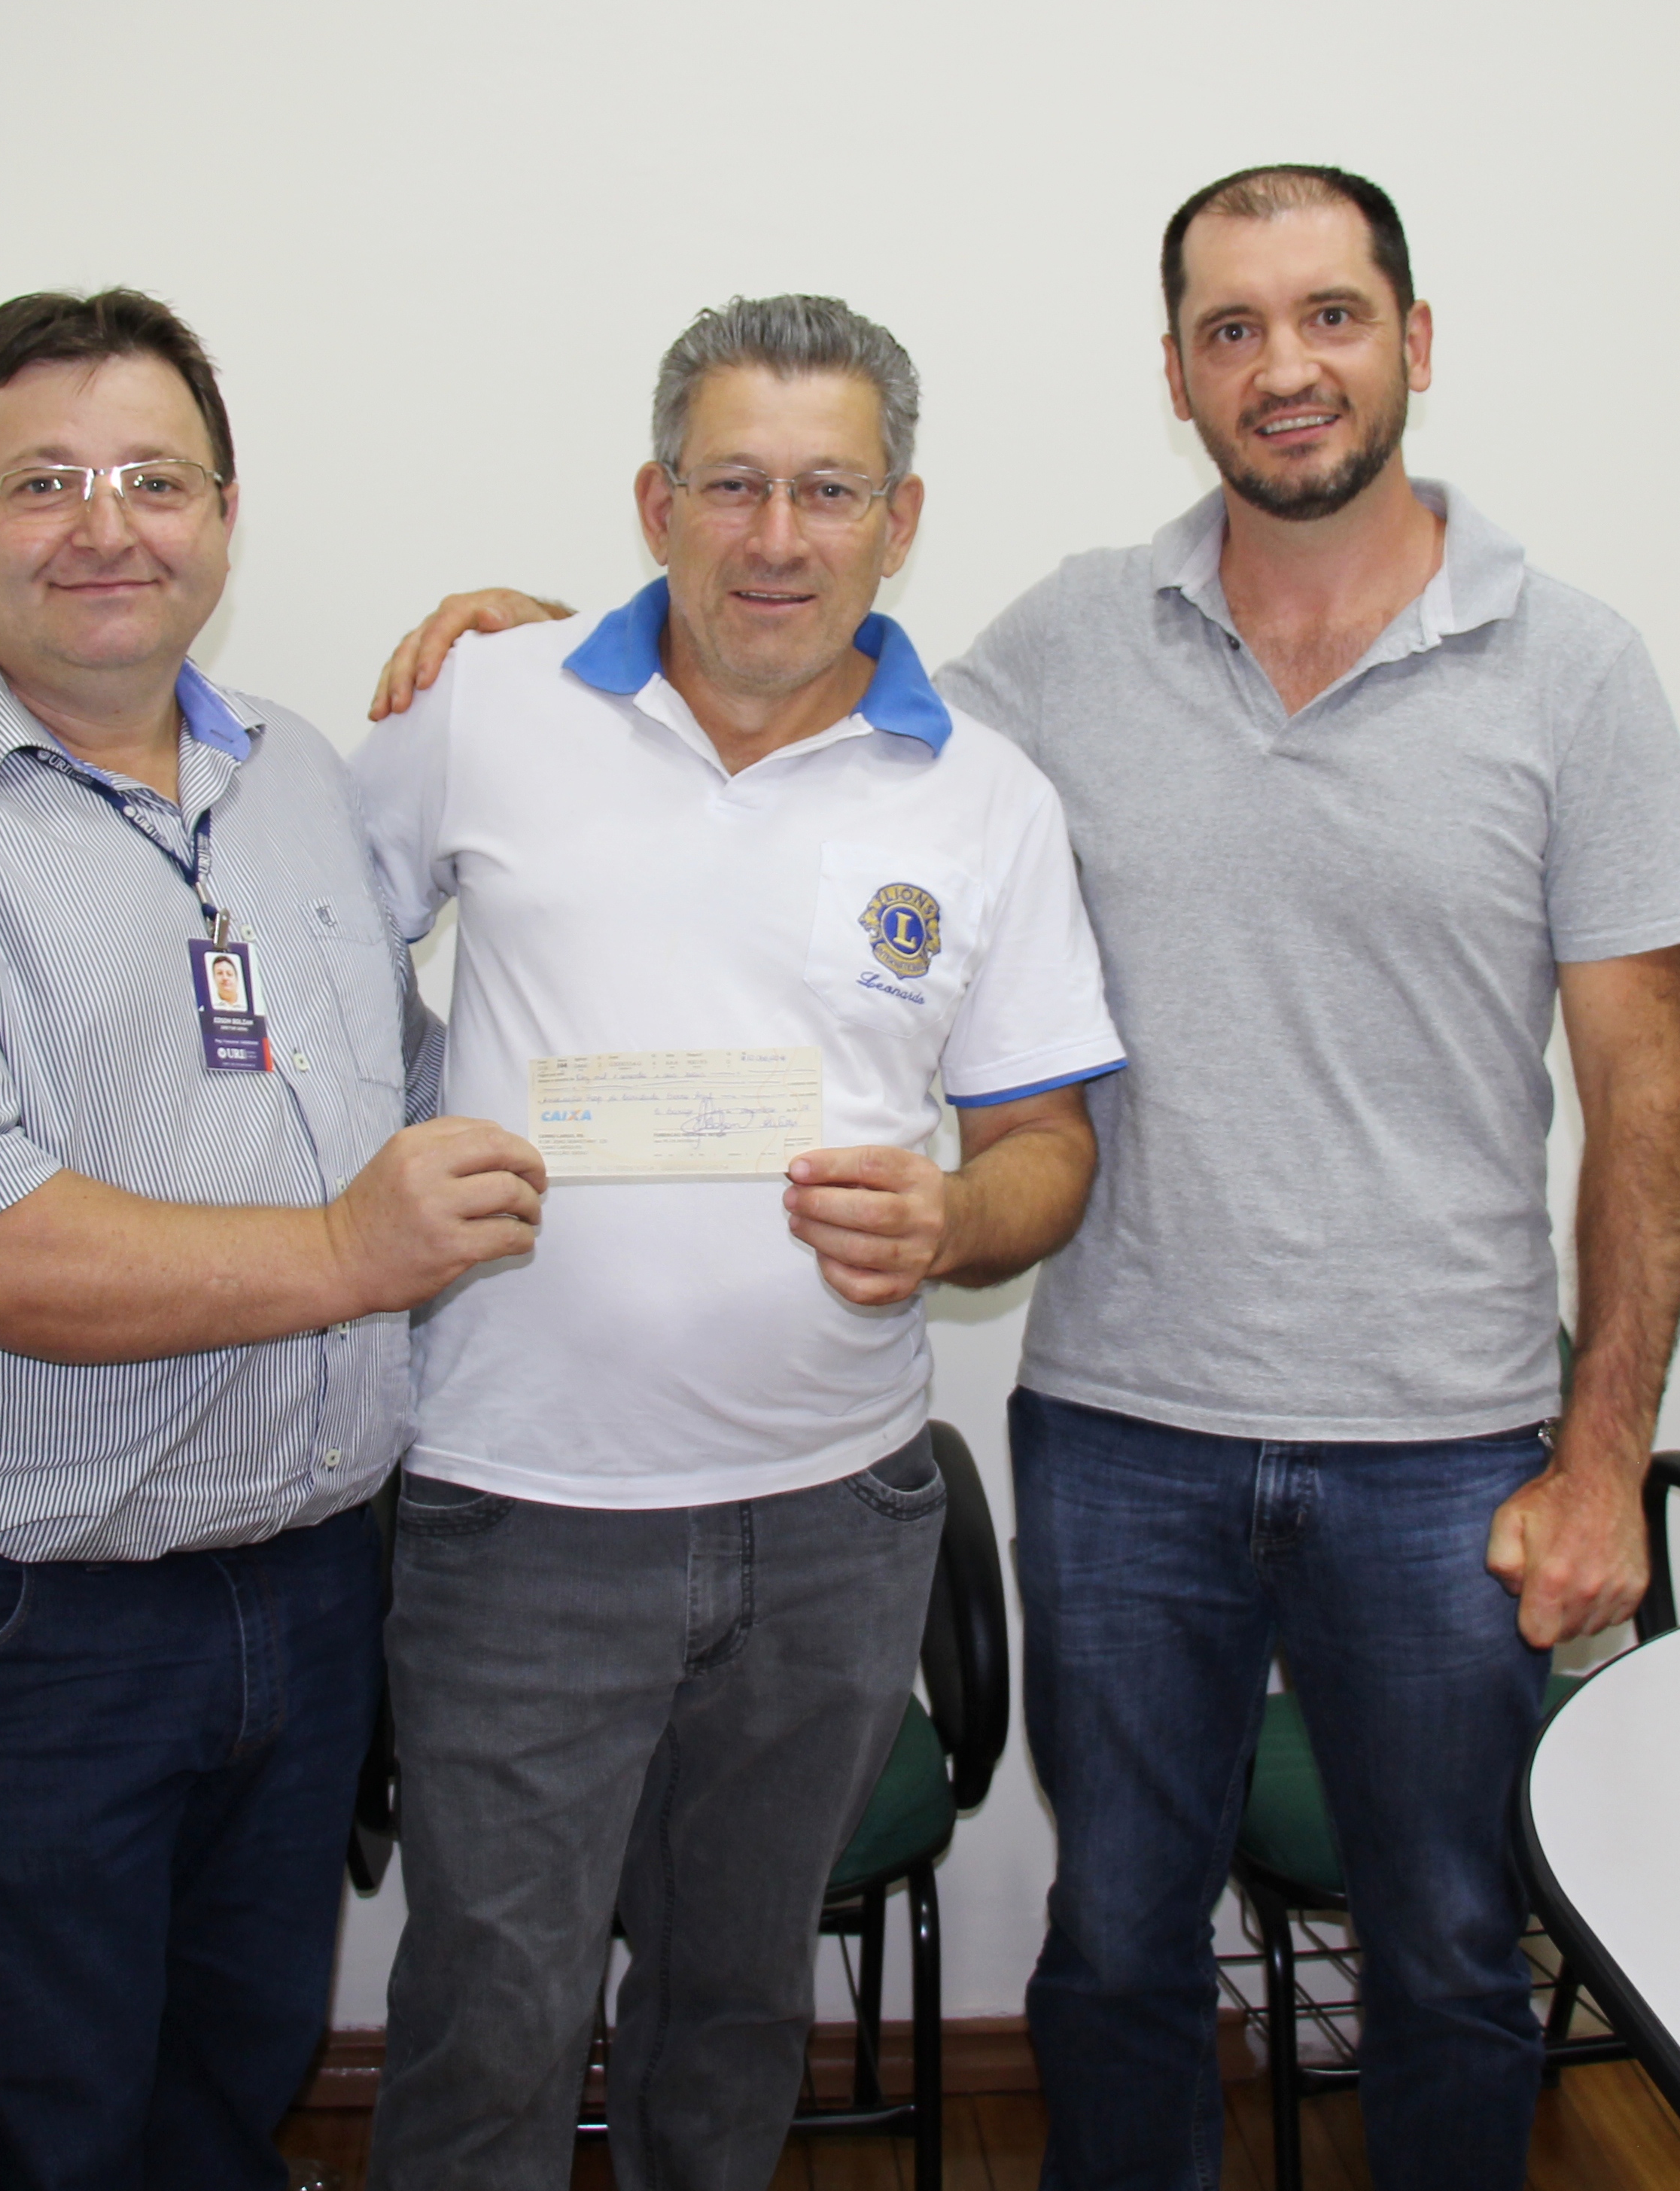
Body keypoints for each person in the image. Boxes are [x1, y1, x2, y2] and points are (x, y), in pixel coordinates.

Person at [369, 169, 1680, 2191]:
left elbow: (1647, 1095)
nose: (1286, 368)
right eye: (1235, 327)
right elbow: (784, 695)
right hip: (1123, 1429)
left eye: (1332, 318)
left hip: (1444, 1440)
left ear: (1414, 345)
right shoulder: (1064, 651)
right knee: (1109, 1955)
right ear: (1177, 369)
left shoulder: (1569, 670)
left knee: (1445, 1951)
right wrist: (535, 638)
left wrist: (1605, 1451)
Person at [0, 288, 547, 2191]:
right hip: (13, 1631)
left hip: (307, 1591)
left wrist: (567, 689)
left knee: (222, 2098)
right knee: (48, 2136)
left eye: (157, 478)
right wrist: (348, 1254)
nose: (106, 524)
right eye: (45, 482)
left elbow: (408, 1091)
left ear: (226, 519)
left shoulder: (297, 782)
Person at [347, 294, 1125, 2191]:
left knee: (739, 2007)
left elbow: (1046, 1145)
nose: (778, 538)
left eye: (829, 491)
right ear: (657, 501)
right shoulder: (490, 712)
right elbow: (300, 972)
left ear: (901, 519)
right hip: (517, 1510)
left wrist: (952, 1221)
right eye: (735, 485)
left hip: (826, 1523)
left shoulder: (986, 795)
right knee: (491, 2018)